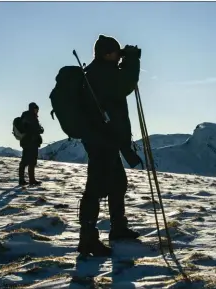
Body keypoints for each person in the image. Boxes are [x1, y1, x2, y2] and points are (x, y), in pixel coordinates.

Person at [77, 34, 142, 257]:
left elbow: (121, 85)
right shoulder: (100, 73)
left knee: (117, 184)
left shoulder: (102, 70)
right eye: (115, 52)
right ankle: (87, 239)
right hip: (100, 139)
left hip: (106, 138)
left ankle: (118, 228)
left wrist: (125, 61)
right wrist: (132, 60)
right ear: (106, 54)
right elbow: (126, 84)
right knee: (95, 189)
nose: (118, 55)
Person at [18, 102, 44, 186]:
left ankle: (25, 180)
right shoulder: (30, 117)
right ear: (33, 109)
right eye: (36, 109)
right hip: (30, 142)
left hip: (28, 142)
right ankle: (30, 180)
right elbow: (34, 129)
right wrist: (40, 130)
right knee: (29, 161)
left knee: (27, 161)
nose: (37, 111)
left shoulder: (27, 116)